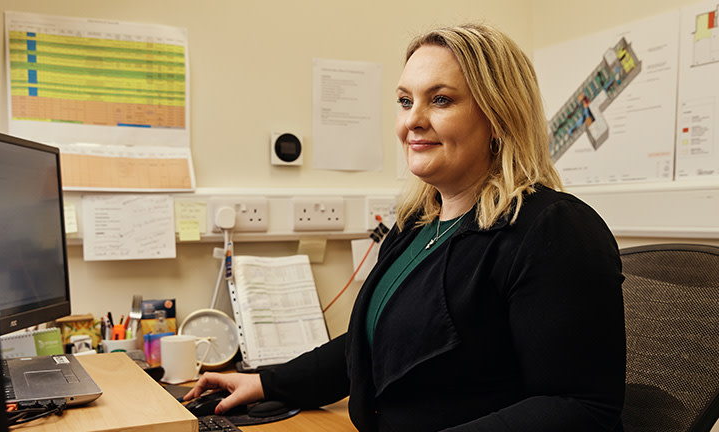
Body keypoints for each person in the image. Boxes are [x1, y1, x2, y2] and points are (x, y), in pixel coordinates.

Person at [185, 23, 626, 432]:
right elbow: (373, 346)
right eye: (404, 100)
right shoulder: (418, 224)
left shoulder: (554, 229)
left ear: (498, 116)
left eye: (440, 100)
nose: (412, 120)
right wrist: (266, 382)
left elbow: (579, 406)